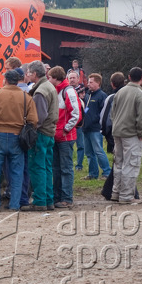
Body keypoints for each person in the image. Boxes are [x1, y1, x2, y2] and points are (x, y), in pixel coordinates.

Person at [0, 70, 37, 212]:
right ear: (18, 80)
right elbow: (33, 120)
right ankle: (14, 204)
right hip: (17, 137)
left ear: (5, 79)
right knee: (17, 172)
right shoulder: (26, 97)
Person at [22, 61, 58, 212]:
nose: (28, 75)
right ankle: (48, 200)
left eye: (29, 73)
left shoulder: (40, 91)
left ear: (35, 74)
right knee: (47, 167)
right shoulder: (49, 86)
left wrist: (30, 130)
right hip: (50, 133)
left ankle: (40, 201)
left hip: (41, 134)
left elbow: (39, 117)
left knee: (37, 167)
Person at [111, 67, 142, 204]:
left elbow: (113, 112)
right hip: (131, 133)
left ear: (129, 76)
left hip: (118, 131)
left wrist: (116, 126)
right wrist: (141, 133)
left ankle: (116, 192)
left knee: (119, 163)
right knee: (131, 164)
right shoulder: (140, 94)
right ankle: (126, 196)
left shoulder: (120, 92)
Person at [48, 66, 80, 209]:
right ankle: (58, 197)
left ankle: (67, 198)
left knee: (65, 168)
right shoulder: (58, 91)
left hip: (65, 136)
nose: (48, 79)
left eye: (50, 77)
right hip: (57, 135)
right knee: (56, 168)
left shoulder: (68, 91)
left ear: (55, 78)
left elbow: (76, 114)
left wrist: (66, 129)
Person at [82, 73, 111, 180]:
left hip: (95, 129)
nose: (88, 84)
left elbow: (104, 113)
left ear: (98, 83)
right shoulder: (87, 95)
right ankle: (92, 173)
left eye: (91, 82)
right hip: (86, 128)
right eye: (88, 82)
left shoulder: (102, 96)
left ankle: (107, 172)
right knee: (89, 153)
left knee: (98, 151)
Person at [67, 70, 86, 170]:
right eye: (70, 78)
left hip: (78, 124)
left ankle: (79, 165)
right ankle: (69, 163)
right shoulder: (65, 91)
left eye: (74, 78)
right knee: (68, 146)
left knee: (80, 145)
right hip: (68, 123)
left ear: (78, 79)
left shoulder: (83, 90)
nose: (72, 80)